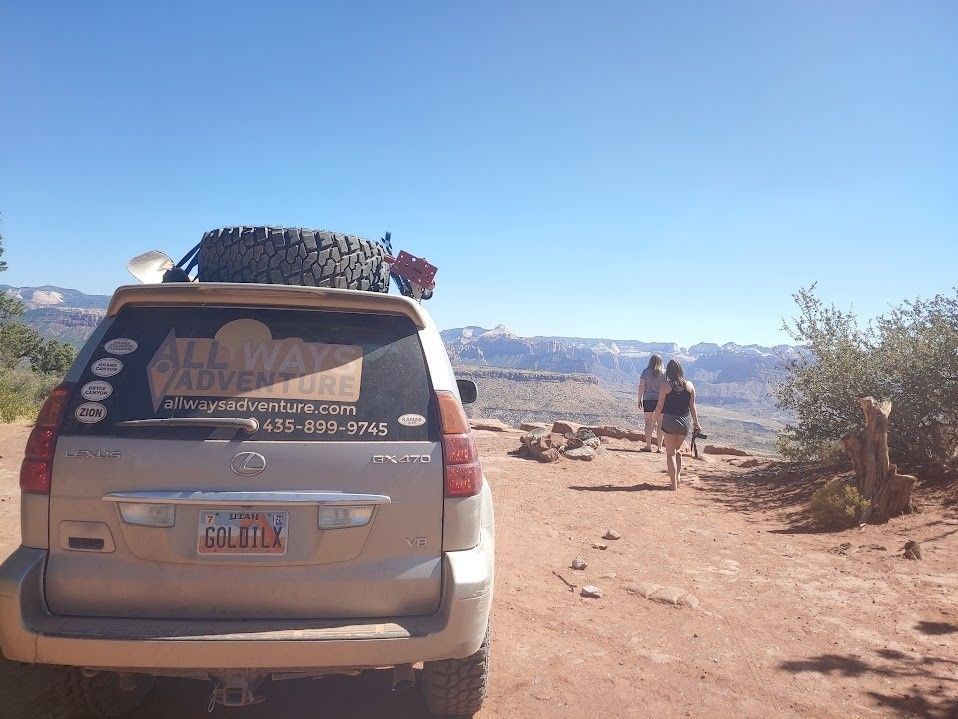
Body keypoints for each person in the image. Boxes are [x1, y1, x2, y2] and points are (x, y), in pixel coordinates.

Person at [652, 359, 701, 490]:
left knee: (670, 453)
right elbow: (692, 406)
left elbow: (659, 407)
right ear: (681, 370)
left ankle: (673, 485)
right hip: (685, 422)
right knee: (678, 450)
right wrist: (696, 423)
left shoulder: (665, 386)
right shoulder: (689, 385)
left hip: (670, 421)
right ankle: (678, 478)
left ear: (669, 371)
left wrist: (653, 422)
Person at [637, 354, 666, 452]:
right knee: (660, 424)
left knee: (648, 423)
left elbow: (641, 386)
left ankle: (648, 446)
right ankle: (660, 448)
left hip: (648, 400)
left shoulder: (645, 372)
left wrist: (639, 399)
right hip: (661, 401)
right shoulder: (664, 373)